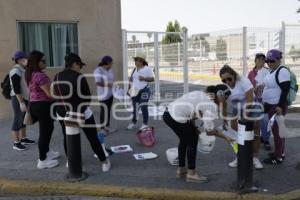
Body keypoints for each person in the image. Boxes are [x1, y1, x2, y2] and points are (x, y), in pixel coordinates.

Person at [53, 53, 111, 172]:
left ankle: (70, 161)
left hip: (62, 113)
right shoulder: (79, 76)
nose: (80, 67)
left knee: (67, 137)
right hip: (81, 112)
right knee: (92, 137)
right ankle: (104, 161)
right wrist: (80, 112)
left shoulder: (57, 76)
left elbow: (56, 95)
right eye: (79, 65)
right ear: (74, 64)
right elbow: (87, 97)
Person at [163, 85, 233, 182]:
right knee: (192, 140)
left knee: (185, 139)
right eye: (225, 98)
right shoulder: (211, 105)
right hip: (176, 117)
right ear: (220, 96)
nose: (225, 101)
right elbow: (209, 131)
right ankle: (191, 173)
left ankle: (181, 169)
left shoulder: (201, 93)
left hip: (168, 114)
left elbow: (191, 111)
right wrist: (225, 136)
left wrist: (194, 127)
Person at [219, 65, 262, 169]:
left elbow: (250, 101)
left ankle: (254, 157)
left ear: (234, 75)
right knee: (234, 130)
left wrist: (245, 121)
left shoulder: (243, 81)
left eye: (229, 79)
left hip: (251, 106)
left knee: (255, 132)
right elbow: (223, 105)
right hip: (237, 106)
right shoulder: (225, 88)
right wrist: (225, 120)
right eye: (224, 80)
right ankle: (240, 156)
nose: (227, 82)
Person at [25, 50, 59, 169]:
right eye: (43, 61)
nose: (46, 63)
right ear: (37, 62)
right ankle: (42, 159)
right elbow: (50, 94)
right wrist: (64, 98)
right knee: (45, 132)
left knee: (48, 129)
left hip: (36, 105)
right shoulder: (41, 76)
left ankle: (47, 151)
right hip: (43, 106)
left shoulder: (30, 73)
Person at [262, 49, 290, 165]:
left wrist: (279, 106)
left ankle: (278, 157)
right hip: (270, 105)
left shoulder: (282, 71)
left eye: (272, 61)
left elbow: (285, 90)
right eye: (267, 60)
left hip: (277, 106)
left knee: (278, 132)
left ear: (279, 60)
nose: (269, 63)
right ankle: (280, 153)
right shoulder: (271, 71)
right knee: (277, 131)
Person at [9, 51, 35, 151]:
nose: (27, 60)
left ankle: (23, 139)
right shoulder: (16, 71)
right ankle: (16, 143)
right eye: (25, 58)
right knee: (17, 119)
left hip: (24, 97)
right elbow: (16, 88)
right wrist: (21, 102)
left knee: (23, 119)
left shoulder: (22, 69)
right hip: (18, 98)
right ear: (19, 60)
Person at [127, 54, 155, 130]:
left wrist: (144, 79)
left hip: (144, 90)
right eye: (135, 60)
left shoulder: (148, 69)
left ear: (142, 61)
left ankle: (145, 124)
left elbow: (152, 79)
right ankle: (133, 122)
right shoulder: (134, 69)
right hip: (134, 90)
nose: (135, 62)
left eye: (137, 60)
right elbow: (131, 80)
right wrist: (129, 89)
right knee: (135, 108)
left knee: (144, 107)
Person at [94, 55, 117, 135]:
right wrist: (108, 85)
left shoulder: (110, 70)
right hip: (103, 95)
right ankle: (102, 129)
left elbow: (112, 79)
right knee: (103, 111)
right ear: (107, 63)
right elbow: (98, 83)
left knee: (108, 110)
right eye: (111, 63)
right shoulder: (98, 70)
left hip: (110, 94)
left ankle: (107, 126)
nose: (112, 64)